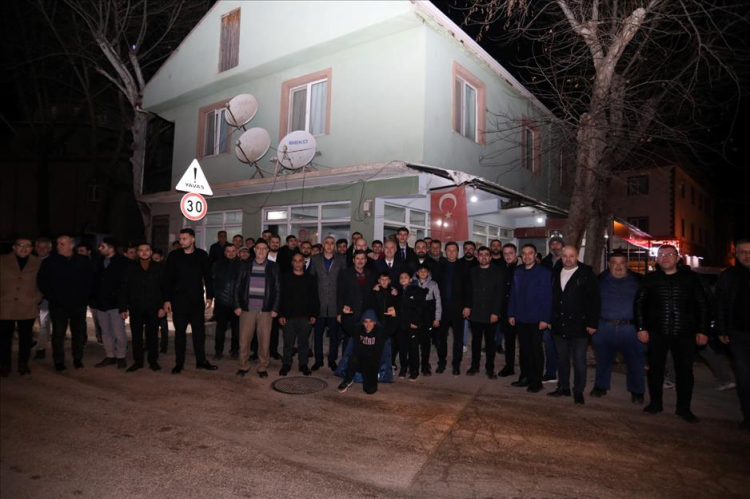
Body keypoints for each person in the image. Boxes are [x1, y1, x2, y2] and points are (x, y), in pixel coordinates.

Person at [635, 245, 709, 422]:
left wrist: (703, 330)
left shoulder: (690, 278)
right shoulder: (650, 278)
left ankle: (684, 408)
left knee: (685, 372)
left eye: (669, 254)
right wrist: (641, 328)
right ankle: (655, 403)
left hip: (685, 332)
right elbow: (639, 304)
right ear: (657, 259)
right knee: (655, 370)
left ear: (677, 258)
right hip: (656, 332)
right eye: (661, 254)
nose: (665, 257)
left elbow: (702, 305)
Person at [590, 251, 645, 404]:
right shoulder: (599, 280)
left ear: (627, 264)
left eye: (621, 263)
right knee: (603, 360)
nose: (618, 266)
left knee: (635, 362)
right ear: (609, 264)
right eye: (614, 263)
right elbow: (590, 303)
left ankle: (637, 391)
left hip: (630, 328)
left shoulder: (639, 281)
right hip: (604, 327)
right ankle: (600, 386)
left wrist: (644, 328)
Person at [548, 246, 600, 405]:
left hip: (580, 326)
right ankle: (563, 387)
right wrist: (550, 319)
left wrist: (592, 323)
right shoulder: (556, 273)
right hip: (559, 325)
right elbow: (552, 299)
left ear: (577, 256)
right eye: (565, 256)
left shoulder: (586, 274)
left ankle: (578, 390)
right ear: (561, 257)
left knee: (579, 361)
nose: (568, 259)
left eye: (571, 256)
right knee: (562, 359)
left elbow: (595, 300)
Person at [164, 228, 217, 374]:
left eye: (184, 239)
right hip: (178, 301)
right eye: (180, 239)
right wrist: (166, 299)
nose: (181, 241)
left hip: (196, 301)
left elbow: (208, 277)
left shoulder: (201, 255)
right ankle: (179, 363)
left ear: (192, 239)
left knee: (199, 334)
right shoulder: (174, 256)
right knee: (180, 334)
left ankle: (201, 361)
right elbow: (167, 279)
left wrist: (210, 296)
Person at [37, 235, 94, 371]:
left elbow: (90, 281)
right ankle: (59, 361)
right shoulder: (50, 261)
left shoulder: (83, 260)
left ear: (71, 245)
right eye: (58, 244)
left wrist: (84, 297)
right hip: (58, 305)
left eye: (62, 244)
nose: (58, 247)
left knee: (78, 333)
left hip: (78, 304)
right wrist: (53, 297)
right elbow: (42, 282)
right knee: (58, 334)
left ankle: (77, 358)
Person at [233, 239, 280, 378]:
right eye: (258, 248)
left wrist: (275, 308)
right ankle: (243, 365)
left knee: (264, 342)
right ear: (254, 250)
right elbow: (237, 286)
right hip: (247, 309)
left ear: (268, 250)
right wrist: (237, 305)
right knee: (244, 340)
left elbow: (278, 289)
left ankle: (262, 367)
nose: (261, 250)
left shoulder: (274, 267)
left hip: (265, 310)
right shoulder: (245, 265)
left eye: (264, 248)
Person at [508, 244, 552, 393]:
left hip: (536, 319)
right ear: (521, 256)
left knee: (535, 350)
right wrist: (511, 313)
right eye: (524, 253)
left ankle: (536, 381)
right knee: (524, 350)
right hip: (520, 317)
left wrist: (545, 319)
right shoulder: (518, 271)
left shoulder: (544, 273)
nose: (527, 256)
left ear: (535, 255)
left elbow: (547, 297)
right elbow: (513, 294)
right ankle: (525, 377)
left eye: (530, 253)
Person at [716, 238, 750, 430]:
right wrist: (721, 329)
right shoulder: (729, 276)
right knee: (744, 378)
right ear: (736, 255)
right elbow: (720, 303)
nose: (747, 255)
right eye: (742, 252)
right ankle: (748, 416)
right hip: (739, 334)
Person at [119, 243, 165, 372]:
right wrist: (123, 308)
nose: (144, 252)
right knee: (136, 336)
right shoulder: (130, 267)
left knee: (153, 336)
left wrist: (162, 307)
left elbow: (164, 288)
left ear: (151, 252)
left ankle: (153, 361)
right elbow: (124, 288)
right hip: (136, 307)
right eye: (141, 250)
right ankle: (138, 361)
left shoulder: (159, 267)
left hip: (154, 307)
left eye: (147, 250)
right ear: (137, 253)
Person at [0, 237, 43, 376]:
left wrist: (37, 297)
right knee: (4, 338)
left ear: (32, 248)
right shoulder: (2, 260)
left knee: (25, 338)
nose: (24, 248)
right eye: (20, 245)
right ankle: (5, 364)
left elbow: (44, 282)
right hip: (5, 305)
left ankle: (23, 363)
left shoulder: (38, 263)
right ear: (14, 247)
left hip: (27, 305)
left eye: (27, 246)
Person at [463, 246, 505, 379]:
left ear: (490, 257)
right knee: (475, 342)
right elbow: (468, 291)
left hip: (490, 314)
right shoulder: (472, 271)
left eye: (486, 254)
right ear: (477, 257)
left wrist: (495, 312)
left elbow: (499, 294)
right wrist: (467, 307)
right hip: (475, 313)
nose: (483, 257)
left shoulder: (497, 272)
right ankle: (474, 366)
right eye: (481, 255)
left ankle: (490, 368)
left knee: (490, 343)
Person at [91, 238, 130, 369]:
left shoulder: (123, 262)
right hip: (100, 303)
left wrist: (123, 305)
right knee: (105, 332)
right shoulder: (98, 261)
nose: (99, 248)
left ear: (111, 248)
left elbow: (124, 285)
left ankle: (121, 356)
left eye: (102, 246)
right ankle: (110, 355)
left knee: (118, 332)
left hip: (115, 303)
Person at [309, 236, 347, 371]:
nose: (329, 245)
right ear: (323, 245)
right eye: (327, 243)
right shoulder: (315, 259)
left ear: (334, 246)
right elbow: (311, 281)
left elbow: (343, 282)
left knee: (334, 336)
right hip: (319, 304)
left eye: (332, 243)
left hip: (334, 304)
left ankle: (332, 360)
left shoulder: (341, 260)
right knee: (317, 335)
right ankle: (318, 360)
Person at [279, 253, 318, 376]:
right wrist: (281, 315)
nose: (297, 263)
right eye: (295, 261)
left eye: (300, 260)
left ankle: (303, 364)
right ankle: (286, 364)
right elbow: (280, 297)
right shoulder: (284, 278)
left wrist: (314, 314)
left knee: (304, 344)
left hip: (305, 317)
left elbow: (315, 298)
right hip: (288, 317)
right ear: (292, 263)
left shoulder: (311, 279)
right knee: (288, 344)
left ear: (304, 263)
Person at [437, 241, 469, 375]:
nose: (451, 253)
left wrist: (467, 306)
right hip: (442, 308)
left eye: (454, 250)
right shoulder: (440, 266)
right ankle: (441, 363)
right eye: (448, 250)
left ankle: (456, 364)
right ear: (445, 252)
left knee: (458, 339)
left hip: (458, 308)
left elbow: (469, 288)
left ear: (458, 252)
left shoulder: (464, 266)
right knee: (440, 338)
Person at [337, 250, 377, 358]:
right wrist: (339, 312)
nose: (360, 261)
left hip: (365, 314)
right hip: (349, 313)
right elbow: (340, 293)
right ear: (353, 260)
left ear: (366, 260)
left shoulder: (370, 274)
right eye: (358, 258)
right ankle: (346, 363)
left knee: (363, 341)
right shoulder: (344, 273)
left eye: (362, 258)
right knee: (348, 341)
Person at [337, 310, 388, 395]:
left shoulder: (380, 331)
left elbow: (392, 328)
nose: (368, 325)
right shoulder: (359, 329)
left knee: (370, 390)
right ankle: (348, 380)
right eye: (365, 322)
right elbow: (346, 326)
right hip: (359, 361)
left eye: (371, 321)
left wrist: (393, 316)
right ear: (362, 322)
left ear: (375, 322)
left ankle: (372, 377)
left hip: (371, 364)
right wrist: (345, 315)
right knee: (353, 359)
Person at [212, 244, 241, 360]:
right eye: (228, 251)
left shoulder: (242, 265)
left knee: (236, 330)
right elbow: (212, 281)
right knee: (220, 329)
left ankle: (235, 350)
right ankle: (218, 351)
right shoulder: (218, 264)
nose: (231, 253)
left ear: (237, 252)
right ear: (224, 253)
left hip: (237, 303)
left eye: (233, 251)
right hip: (221, 302)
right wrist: (216, 295)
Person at [395, 271, 425, 380]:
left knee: (413, 349)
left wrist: (416, 322)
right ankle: (403, 368)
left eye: (405, 277)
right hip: (401, 325)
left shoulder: (416, 290)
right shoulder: (398, 292)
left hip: (412, 325)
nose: (403, 279)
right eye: (401, 277)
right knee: (402, 348)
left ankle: (414, 370)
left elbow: (420, 308)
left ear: (411, 279)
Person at [414, 264, 442, 376]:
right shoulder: (413, 283)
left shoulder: (433, 284)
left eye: (425, 271)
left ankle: (425, 365)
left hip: (427, 317)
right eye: (420, 271)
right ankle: (414, 365)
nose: (422, 273)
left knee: (426, 342)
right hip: (415, 316)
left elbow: (438, 301)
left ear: (428, 273)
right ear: (417, 273)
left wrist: (437, 318)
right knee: (414, 342)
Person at [498, 243, 519, 377]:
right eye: (505, 254)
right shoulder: (501, 269)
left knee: (524, 343)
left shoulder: (522, 268)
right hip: (505, 311)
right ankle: (509, 366)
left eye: (510, 253)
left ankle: (527, 369)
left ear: (516, 253)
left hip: (521, 312)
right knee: (509, 341)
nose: (508, 256)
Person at [371, 271, 398, 368]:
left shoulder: (393, 292)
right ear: (378, 280)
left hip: (390, 321)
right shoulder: (375, 291)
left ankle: (391, 362)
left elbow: (396, 305)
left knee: (391, 343)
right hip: (378, 321)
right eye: (382, 279)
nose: (384, 281)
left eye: (386, 279)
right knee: (378, 343)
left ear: (389, 281)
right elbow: (371, 305)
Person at [33, 237, 52, 360]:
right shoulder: (31, 261)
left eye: (45, 247)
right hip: (29, 297)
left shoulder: (53, 262)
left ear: (49, 248)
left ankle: (41, 348)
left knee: (44, 324)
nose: (41, 249)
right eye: (39, 247)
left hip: (46, 298)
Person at [151, 248, 170, 353]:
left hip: (162, 301)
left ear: (161, 258)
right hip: (151, 301)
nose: (154, 261)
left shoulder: (164, 270)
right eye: (153, 259)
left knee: (163, 325)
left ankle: (164, 345)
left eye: (156, 259)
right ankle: (150, 344)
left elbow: (166, 288)